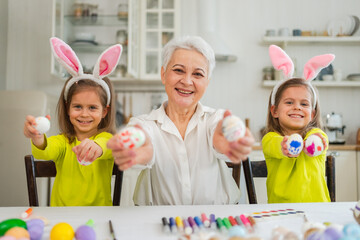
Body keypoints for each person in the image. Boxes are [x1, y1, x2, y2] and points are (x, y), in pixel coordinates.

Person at [107, 36, 255, 205]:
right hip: (160, 221)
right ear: (163, 74)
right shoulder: (145, 124)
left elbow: (221, 131)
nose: (187, 81)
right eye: (178, 70)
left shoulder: (215, 120)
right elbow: (140, 134)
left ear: (207, 82)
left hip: (217, 219)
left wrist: (230, 138)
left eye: (198, 74)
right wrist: (139, 146)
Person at [23, 37, 122, 206]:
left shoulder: (106, 139)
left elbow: (108, 146)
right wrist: (37, 136)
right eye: (77, 107)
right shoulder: (63, 142)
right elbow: (44, 151)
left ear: (105, 111)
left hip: (99, 216)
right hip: (61, 217)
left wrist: (96, 147)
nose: (84, 114)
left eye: (92, 108)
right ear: (68, 108)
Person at [262, 45, 335, 203]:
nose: (297, 107)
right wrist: (285, 145)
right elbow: (274, 145)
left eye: (304, 104)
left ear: (312, 114)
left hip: (319, 210)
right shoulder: (270, 139)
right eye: (289, 102)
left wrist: (314, 143)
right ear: (274, 111)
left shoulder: (317, 136)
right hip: (281, 211)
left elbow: (320, 140)